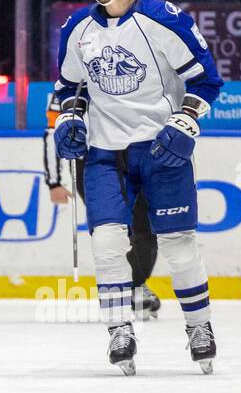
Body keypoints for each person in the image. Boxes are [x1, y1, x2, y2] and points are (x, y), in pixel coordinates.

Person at [52, 0, 223, 375]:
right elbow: (69, 89)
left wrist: (186, 121)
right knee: (108, 243)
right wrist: (69, 119)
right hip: (106, 154)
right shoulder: (78, 29)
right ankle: (119, 330)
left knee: (178, 244)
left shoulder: (163, 20)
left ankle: (199, 327)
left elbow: (206, 82)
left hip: (161, 149)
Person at [43, 92, 161, 319]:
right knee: (113, 227)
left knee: (145, 227)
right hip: (95, 164)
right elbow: (53, 132)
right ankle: (129, 287)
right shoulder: (72, 84)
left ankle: (136, 283)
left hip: (140, 154)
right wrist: (54, 181)